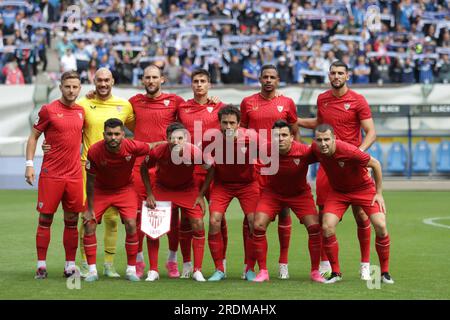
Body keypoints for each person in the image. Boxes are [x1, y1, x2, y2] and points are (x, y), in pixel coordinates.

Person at [297, 60, 376, 280]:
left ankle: (365, 265)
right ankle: (325, 263)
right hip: (328, 167)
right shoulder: (322, 99)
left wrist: (358, 155)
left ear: (348, 76)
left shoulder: (358, 100)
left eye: (341, 72)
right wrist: (297, 120)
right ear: (328, 75)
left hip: (353, 166)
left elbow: (371, 132)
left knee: (361, 216)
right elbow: (320, 124)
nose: (336, 76)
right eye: (333, 73)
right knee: (324, 214)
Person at [311, 124, 393, 284]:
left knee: (381, 225)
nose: (323, 143)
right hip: (339, 192)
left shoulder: (349, 151)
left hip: (363, 189)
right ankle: (335, 273)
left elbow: (375, 164)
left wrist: (379, 193)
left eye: (327, 139)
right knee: (327, 226)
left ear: (334, 139)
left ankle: (384, 273)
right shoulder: (315, 150)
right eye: (319, 140)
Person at [240, 64, 300, 280]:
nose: (268, 80)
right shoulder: (248, 103)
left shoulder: (287, 103)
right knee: (252, 217)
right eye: (265, 77)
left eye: (272, 77)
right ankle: (250, 266)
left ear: (278, 80)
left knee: (284, 212)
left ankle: (283, 263)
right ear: (259, 79)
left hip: (281, 166)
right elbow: (242, 133)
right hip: (255, 168)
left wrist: (297, 162)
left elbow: (294, 132)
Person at [25, 71, 85, 279]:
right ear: (60, 87)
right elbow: (33, 137)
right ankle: (41, 265)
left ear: (80, 88)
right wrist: (30, 164)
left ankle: (70, 266)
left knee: (71, 220)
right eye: (67, 86)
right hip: (52, 174)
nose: (71, 90)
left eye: (75, 87)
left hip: (75, 175)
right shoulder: (48, 110)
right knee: (45, 219)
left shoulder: (81, 111)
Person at [250, 120, 325, 283]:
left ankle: (315, 271)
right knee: (258, 225)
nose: (280, 139)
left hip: (299, 194)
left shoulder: (304, 151)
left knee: (314, 227)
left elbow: (327, 155)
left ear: (292, 137)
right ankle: (263, 271)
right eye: (276, 136)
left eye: (284, 135)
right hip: (273, 194)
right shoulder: (265, 150)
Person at [128, 64, 185, 279]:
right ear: (142, 80)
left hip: (166, 167)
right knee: (139, 215)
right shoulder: (134, 102)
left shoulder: (175, 102)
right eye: (147, 77)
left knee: (171, 218)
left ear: (162, 79)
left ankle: (171, 260)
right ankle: (140, 260)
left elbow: (191, 116)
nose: (151, 81)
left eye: (155, 77)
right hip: (138, 167)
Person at [77, 68, 135, 278]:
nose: (102, 84)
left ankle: (109, 265)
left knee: (112, 220)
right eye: (99, 80)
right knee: (87, 218)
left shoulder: (124, 105)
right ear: (94, 80)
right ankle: (85, 262)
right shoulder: (83, 104)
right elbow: (67, 125)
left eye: (106, 80)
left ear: (113, 81)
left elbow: (140, 127)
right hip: (88, 170)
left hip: (114, 172)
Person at [83, 118, 154, 282]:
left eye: (116, 134)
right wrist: (90, 209)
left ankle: (131, 270)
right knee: (89, 224)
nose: (113, 137)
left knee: (130, 224)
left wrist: (171, 143)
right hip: (101, 190)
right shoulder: (94, 151)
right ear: (104, 135)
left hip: (125, 189)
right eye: (109, 134)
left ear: (123, 134)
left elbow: (152, 146)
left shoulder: (131, 146)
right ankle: (92, 271)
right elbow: (90, 181)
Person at [140, 122, 213, 282]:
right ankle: (153, 270)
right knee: (153, 227)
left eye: (180, 138)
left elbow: (211, 169)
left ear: (185, 139)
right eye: (172, 138)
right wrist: (150, 193)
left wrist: (201, 195)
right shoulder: (158, 151)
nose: (176, 141)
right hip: (163, 188)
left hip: (187, 189)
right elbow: (143, 168)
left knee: (198, 224)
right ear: (167, 138)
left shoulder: (194, 152)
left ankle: (197, 270)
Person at [176, 68, 228, 278]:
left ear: (209, 85)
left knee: (219, 218)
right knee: (186, 219)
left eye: (203, 81)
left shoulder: (220, 107)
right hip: (188, 171)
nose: (199, 85)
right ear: (191, 84)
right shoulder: (182, 108)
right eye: (196, 81)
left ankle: (220, 262)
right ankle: (187, 264)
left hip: (212, 171)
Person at [206, 105, 260, 282]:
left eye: (232, 123)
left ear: (239, 124)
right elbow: (206, 163)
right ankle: (219, 269)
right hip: (223, 185)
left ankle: (249, 268)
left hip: (248, 185)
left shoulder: (251, 137)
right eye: (224, 123)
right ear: (219, 123)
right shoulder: (211, 139)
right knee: (214, 221)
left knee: (254, 222)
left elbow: (269, 155)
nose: (228, 127)